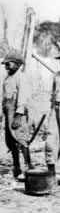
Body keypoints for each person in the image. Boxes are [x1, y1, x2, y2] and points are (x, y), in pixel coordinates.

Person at [0, 52, 34, 178]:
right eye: (5, 64)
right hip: (8, 113)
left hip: (18, 113)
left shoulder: (21, 77)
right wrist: (3, 112)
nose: (6, 66)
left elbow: (23, 97)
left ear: (18, 65)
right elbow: (5, 97)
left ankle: (28, 167)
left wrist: (18, 115)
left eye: (9, 63)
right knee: (11, 141)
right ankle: (16, 167)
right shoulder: (7, 79)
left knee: (21, 139)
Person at [45, 52, 60, 183]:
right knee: (51, 139)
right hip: (55, 108)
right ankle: (51, 173)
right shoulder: (57, 75)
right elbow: (53, 92)